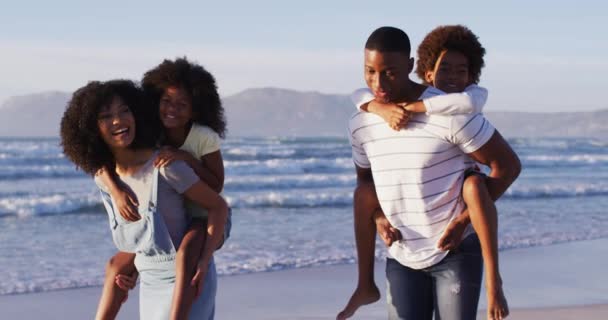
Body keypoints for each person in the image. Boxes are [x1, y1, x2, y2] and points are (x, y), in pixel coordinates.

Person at [345, 26, 520, 320]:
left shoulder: (450, 116)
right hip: (402, 254)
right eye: (370, 72)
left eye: (389, 72)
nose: (379, 82)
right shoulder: (361, 123)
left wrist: (464, 221)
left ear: (411, 66)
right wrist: (377, 217)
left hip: (455, 253)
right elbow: (366, 183)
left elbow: (508, 166)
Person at [60, 79, 228, 320]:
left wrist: (203, 260)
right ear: (90, 128)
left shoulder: (165, 167)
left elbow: (218, 205)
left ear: (137, 114)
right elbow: (138, 242)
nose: (118, 120)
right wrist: (133, 272)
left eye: (124, 110)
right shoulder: (105, 180)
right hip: (150, 282)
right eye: (106, 116)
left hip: (189, 277)